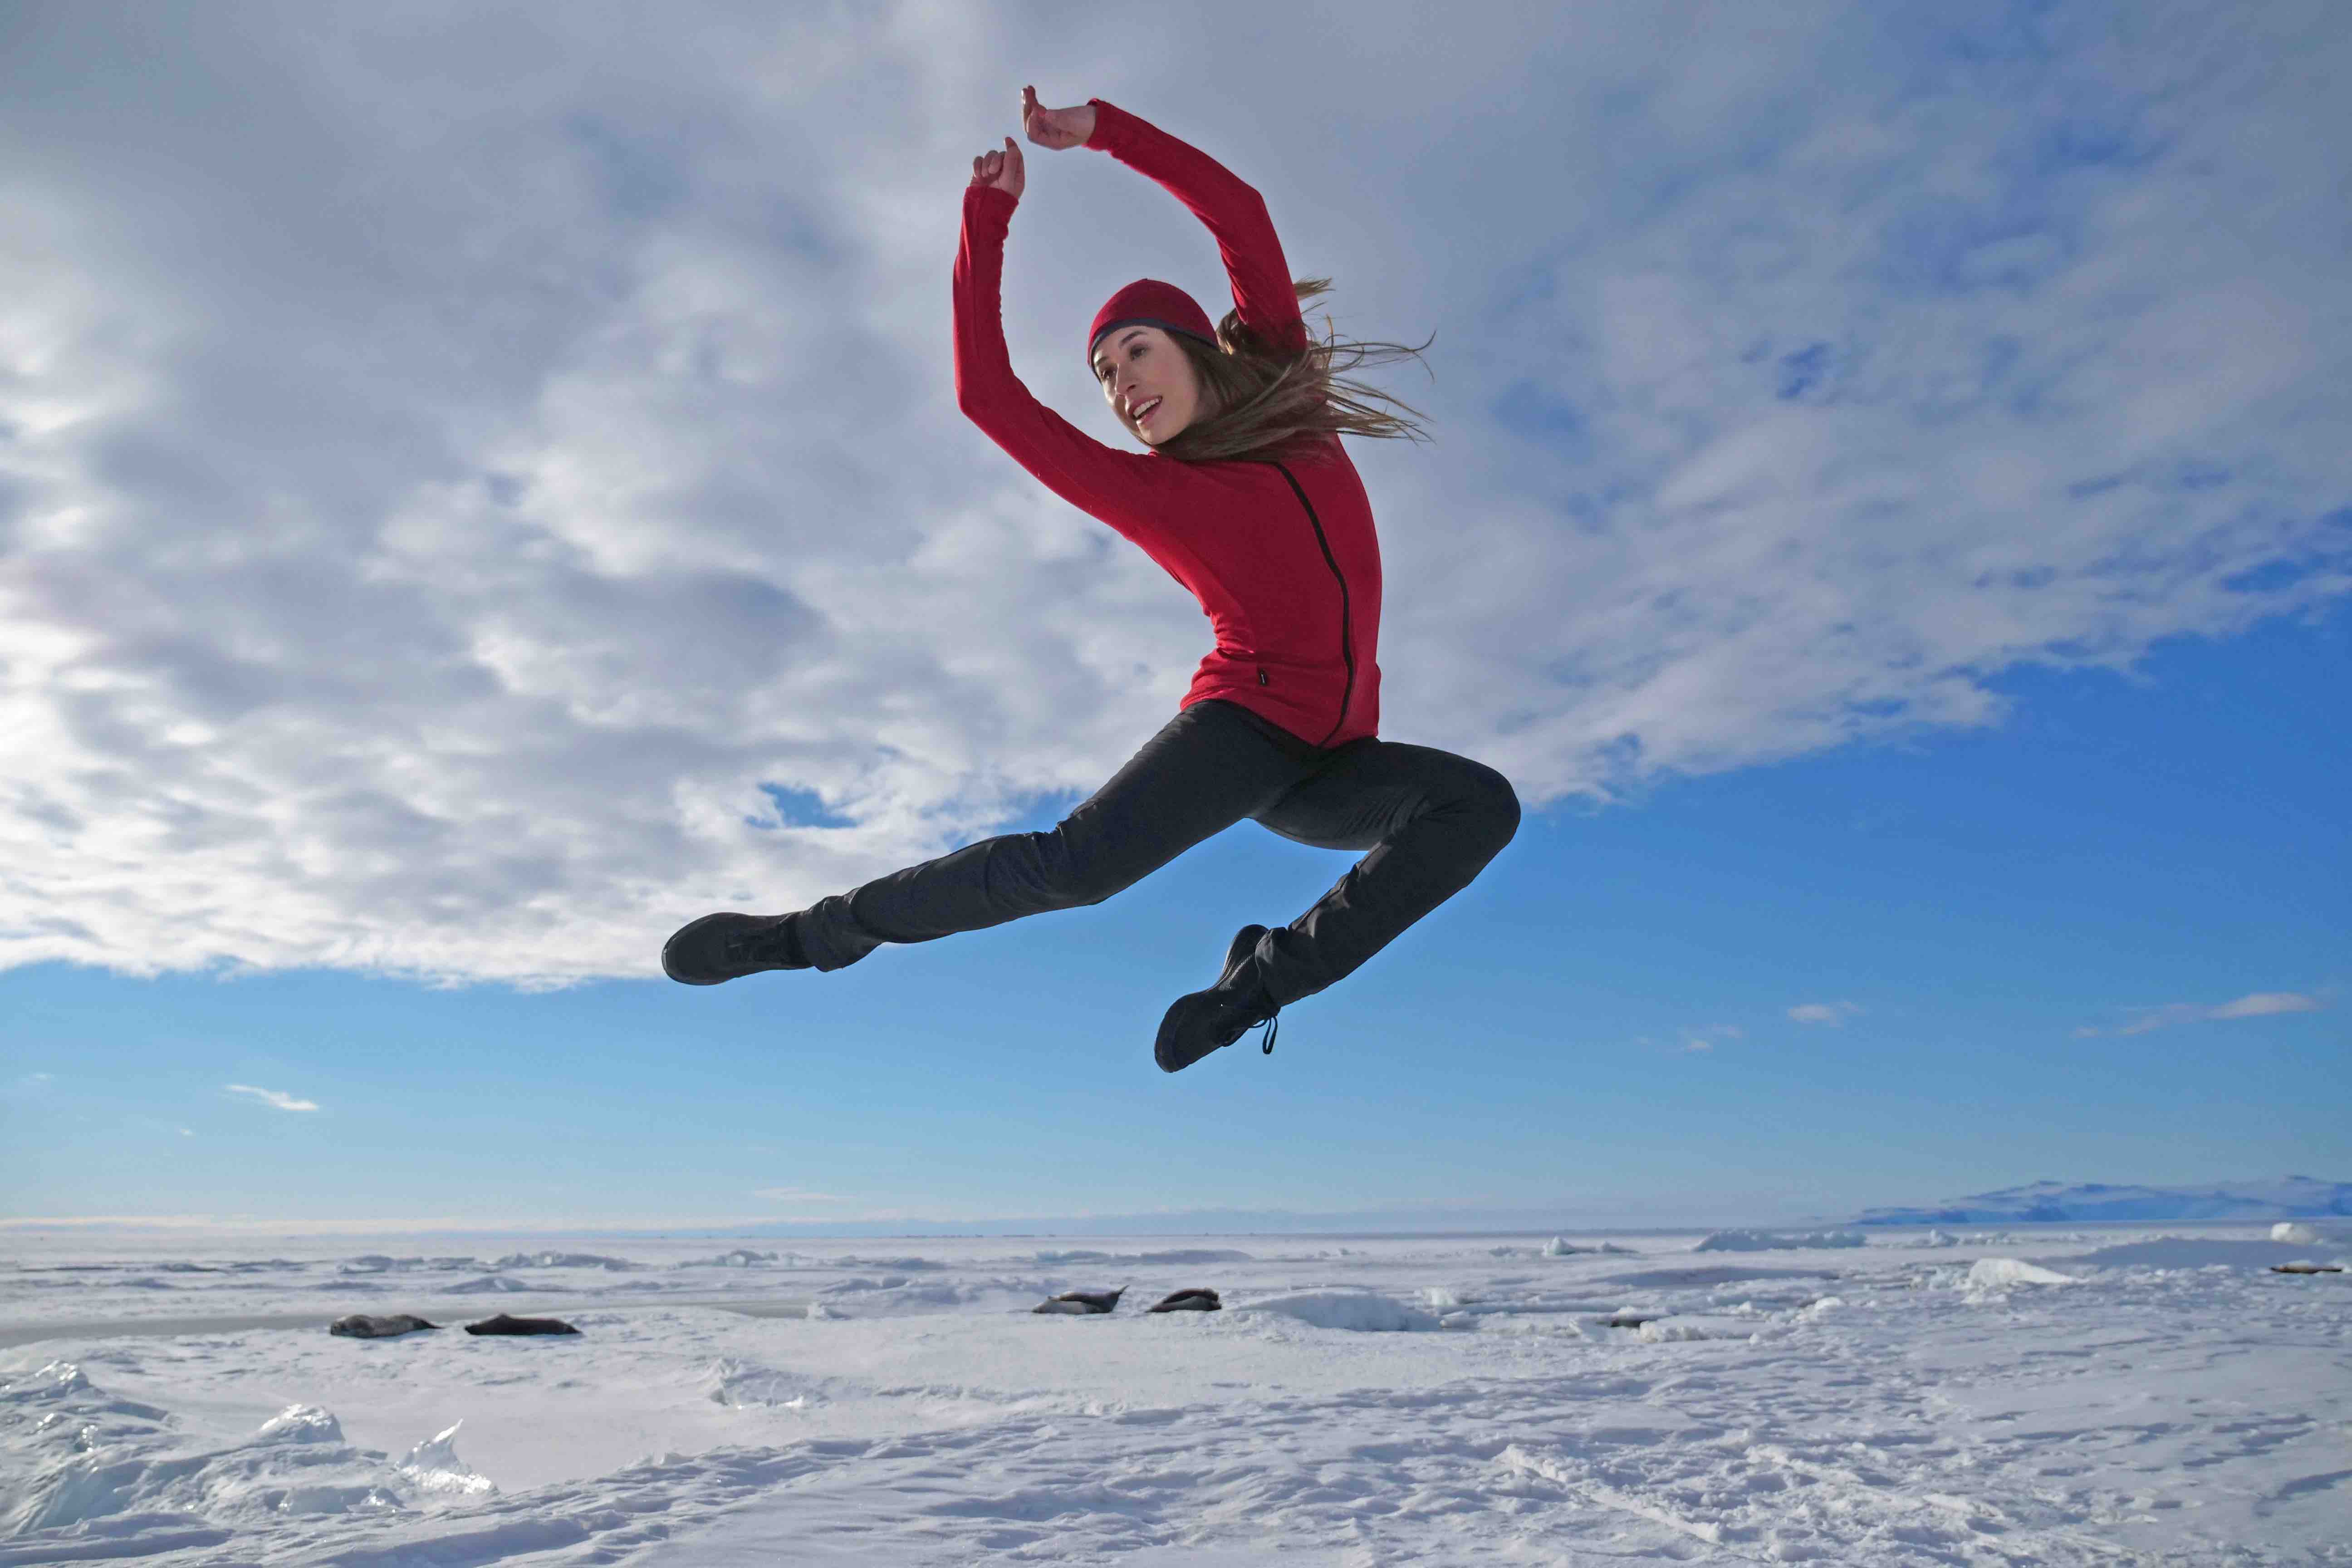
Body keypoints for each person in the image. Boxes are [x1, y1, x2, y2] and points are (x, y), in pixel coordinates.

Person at [664, 88, 1520, 1074]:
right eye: (1104, 375)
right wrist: (987, 224)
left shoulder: (1293, 396)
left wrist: (1104, 131)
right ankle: (805, 936)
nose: (1120, 386)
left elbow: (1239, 211)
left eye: (1135, 352)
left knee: (1480, 807)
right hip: (1244, 732)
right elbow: (986, 393)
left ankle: (1258, 985)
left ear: (1194, 346)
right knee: (1074, 872)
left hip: (1336, 761)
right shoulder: (1152, 491)